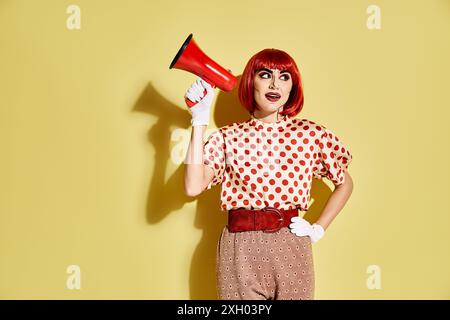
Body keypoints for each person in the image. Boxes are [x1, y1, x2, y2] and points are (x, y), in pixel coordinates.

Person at [183, 48, 353, 300]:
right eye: (265, 74)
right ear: (252, 82)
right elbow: (192, 186)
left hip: (291, 245)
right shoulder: (227, 137)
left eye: (284, 77)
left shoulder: (311, 134)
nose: (275, 84)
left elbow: (345, 183)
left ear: (292, 86)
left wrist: (318, 228)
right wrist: (199, 120)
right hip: (239, 250)